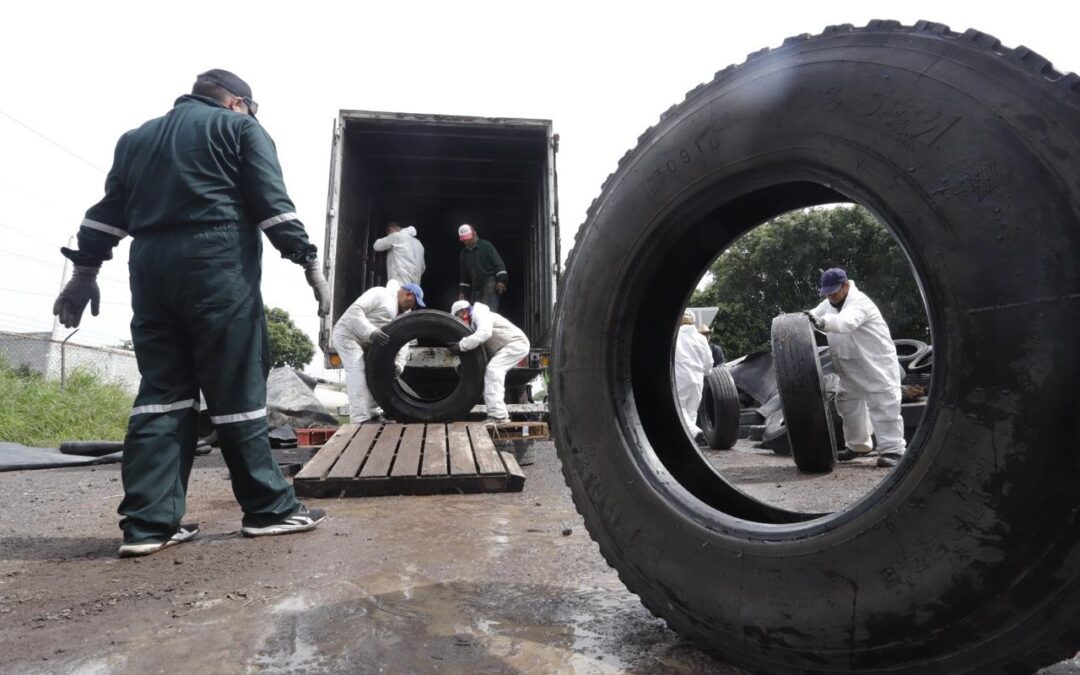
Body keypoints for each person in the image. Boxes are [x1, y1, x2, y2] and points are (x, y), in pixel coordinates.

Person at [50, 69, 330, 557]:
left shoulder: (135, 138)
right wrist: (308, 261)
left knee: (162, 392)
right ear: (238, 103)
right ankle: (270, 510)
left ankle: (148, 524)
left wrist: (84, 273)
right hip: (215, 264)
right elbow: (272, 205)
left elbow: (107, 212)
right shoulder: (240, 129)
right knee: (236, 387)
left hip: (151, 268)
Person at [805, 267, 906, 468]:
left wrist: (821, 322)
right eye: (826, 293)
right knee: (847, 403)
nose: (830, 297)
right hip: (849, 365)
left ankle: (893, 451)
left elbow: (846, 322)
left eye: (833, 292)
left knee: (883, 405)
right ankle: (858, 446)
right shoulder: (829, 302)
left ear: (846, 285)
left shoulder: (860, 303)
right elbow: (813, 314)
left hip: (874, 364)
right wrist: (802, 318)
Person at [333, 280, 425, 423]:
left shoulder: (403, 314)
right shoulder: (381, 293)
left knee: (374, 375)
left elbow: (404, 341)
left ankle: (374, 414)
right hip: (348, 335)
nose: (413, 307)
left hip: (367, 343)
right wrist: (371, 331)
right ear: (409, 295)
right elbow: (355, 311)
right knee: (358, 372)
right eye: (414, 303)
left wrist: (399, 364)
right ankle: (360, 419)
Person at [449, 300, 529, 424]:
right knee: (489, 371)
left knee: (494, 370)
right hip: (503, 346)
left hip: (516, 343)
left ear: (463, 312)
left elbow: (485, 333)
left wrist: (461, 345)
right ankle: (497, 414)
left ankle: (499, 416)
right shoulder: (474, 322)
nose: (458, 321)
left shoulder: (479, 313)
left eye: (457, 317)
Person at [674, 313, 713, 445]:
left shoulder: (675, 336)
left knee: (680, 407)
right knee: (691, 410)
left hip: (680, 376)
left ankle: (695, 432)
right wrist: (706, 372)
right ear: (693, 322)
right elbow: (708, 361)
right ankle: (690, 439)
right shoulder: (701, 338)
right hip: (698, 378)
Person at [457, 224, 508, 312]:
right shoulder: (464, 253)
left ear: (474, 234)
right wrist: (463, 293)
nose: (467, 242)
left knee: (489, 312)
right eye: (464, 240)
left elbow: (499, 264)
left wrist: (501, 281)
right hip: (475, 286)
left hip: (490, 284)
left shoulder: (486, 246)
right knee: (476, 312)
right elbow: (464, 276)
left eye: (469, 239)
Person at [372, 221, 425, 285]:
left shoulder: (397, 236)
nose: (389, 235)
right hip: (415, 285)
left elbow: (377, 246)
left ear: (391, 229)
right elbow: (422, 267)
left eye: (388, 234)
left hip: (400, 282)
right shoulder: (419, 244)